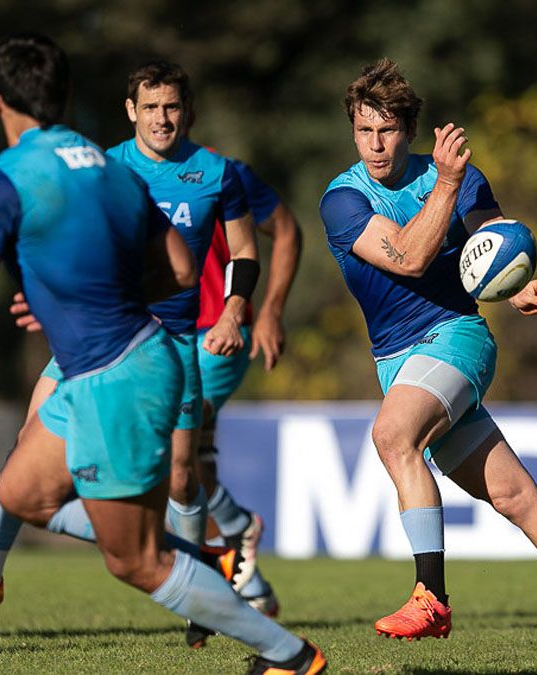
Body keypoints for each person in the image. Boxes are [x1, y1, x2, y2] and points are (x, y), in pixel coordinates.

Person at [0, 34, 325, 674]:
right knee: (20, 490)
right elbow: (179, 269)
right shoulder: (108, 167)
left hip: (118, 375)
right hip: (118, 359)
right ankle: (185, 559)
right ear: (70, 98)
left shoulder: (3, 181)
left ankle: (290, 656)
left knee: (136, 561)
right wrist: (81, 298)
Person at [318, 59, 537, 664]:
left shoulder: (460, 177)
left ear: (410, 130)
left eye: (388, 130)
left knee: (392, 436)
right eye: (364, 130)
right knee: (517, 499)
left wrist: (515, 283)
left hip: (456, 339)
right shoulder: (343, 200)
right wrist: (446, 189)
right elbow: (407, 258)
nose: (376, 144)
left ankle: (431, 596)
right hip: (396, 363)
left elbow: (490, 246)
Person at [195, 157, 303, 620]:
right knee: (188, 458)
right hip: (152, 335)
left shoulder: (224, 173)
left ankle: (235, 533)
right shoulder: (122, 166)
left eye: (173, 106)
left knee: (168, 442)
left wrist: (271, 310)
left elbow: (286, 230)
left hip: (217, 333)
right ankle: (246, 575)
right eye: (151, 106)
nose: (163, 118)